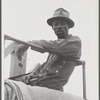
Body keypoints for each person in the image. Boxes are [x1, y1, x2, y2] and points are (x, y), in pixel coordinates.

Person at [15, 8, 82, 92]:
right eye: (56, 24)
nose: (59, 26)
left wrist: (29, 44)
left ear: (68, 26)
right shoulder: (53, 51)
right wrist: (30, 75)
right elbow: (46, 67)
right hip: (39, 85)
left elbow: (57, 46)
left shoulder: (75, 42)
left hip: (51, 88)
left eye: (63, 23)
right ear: (53, 27)